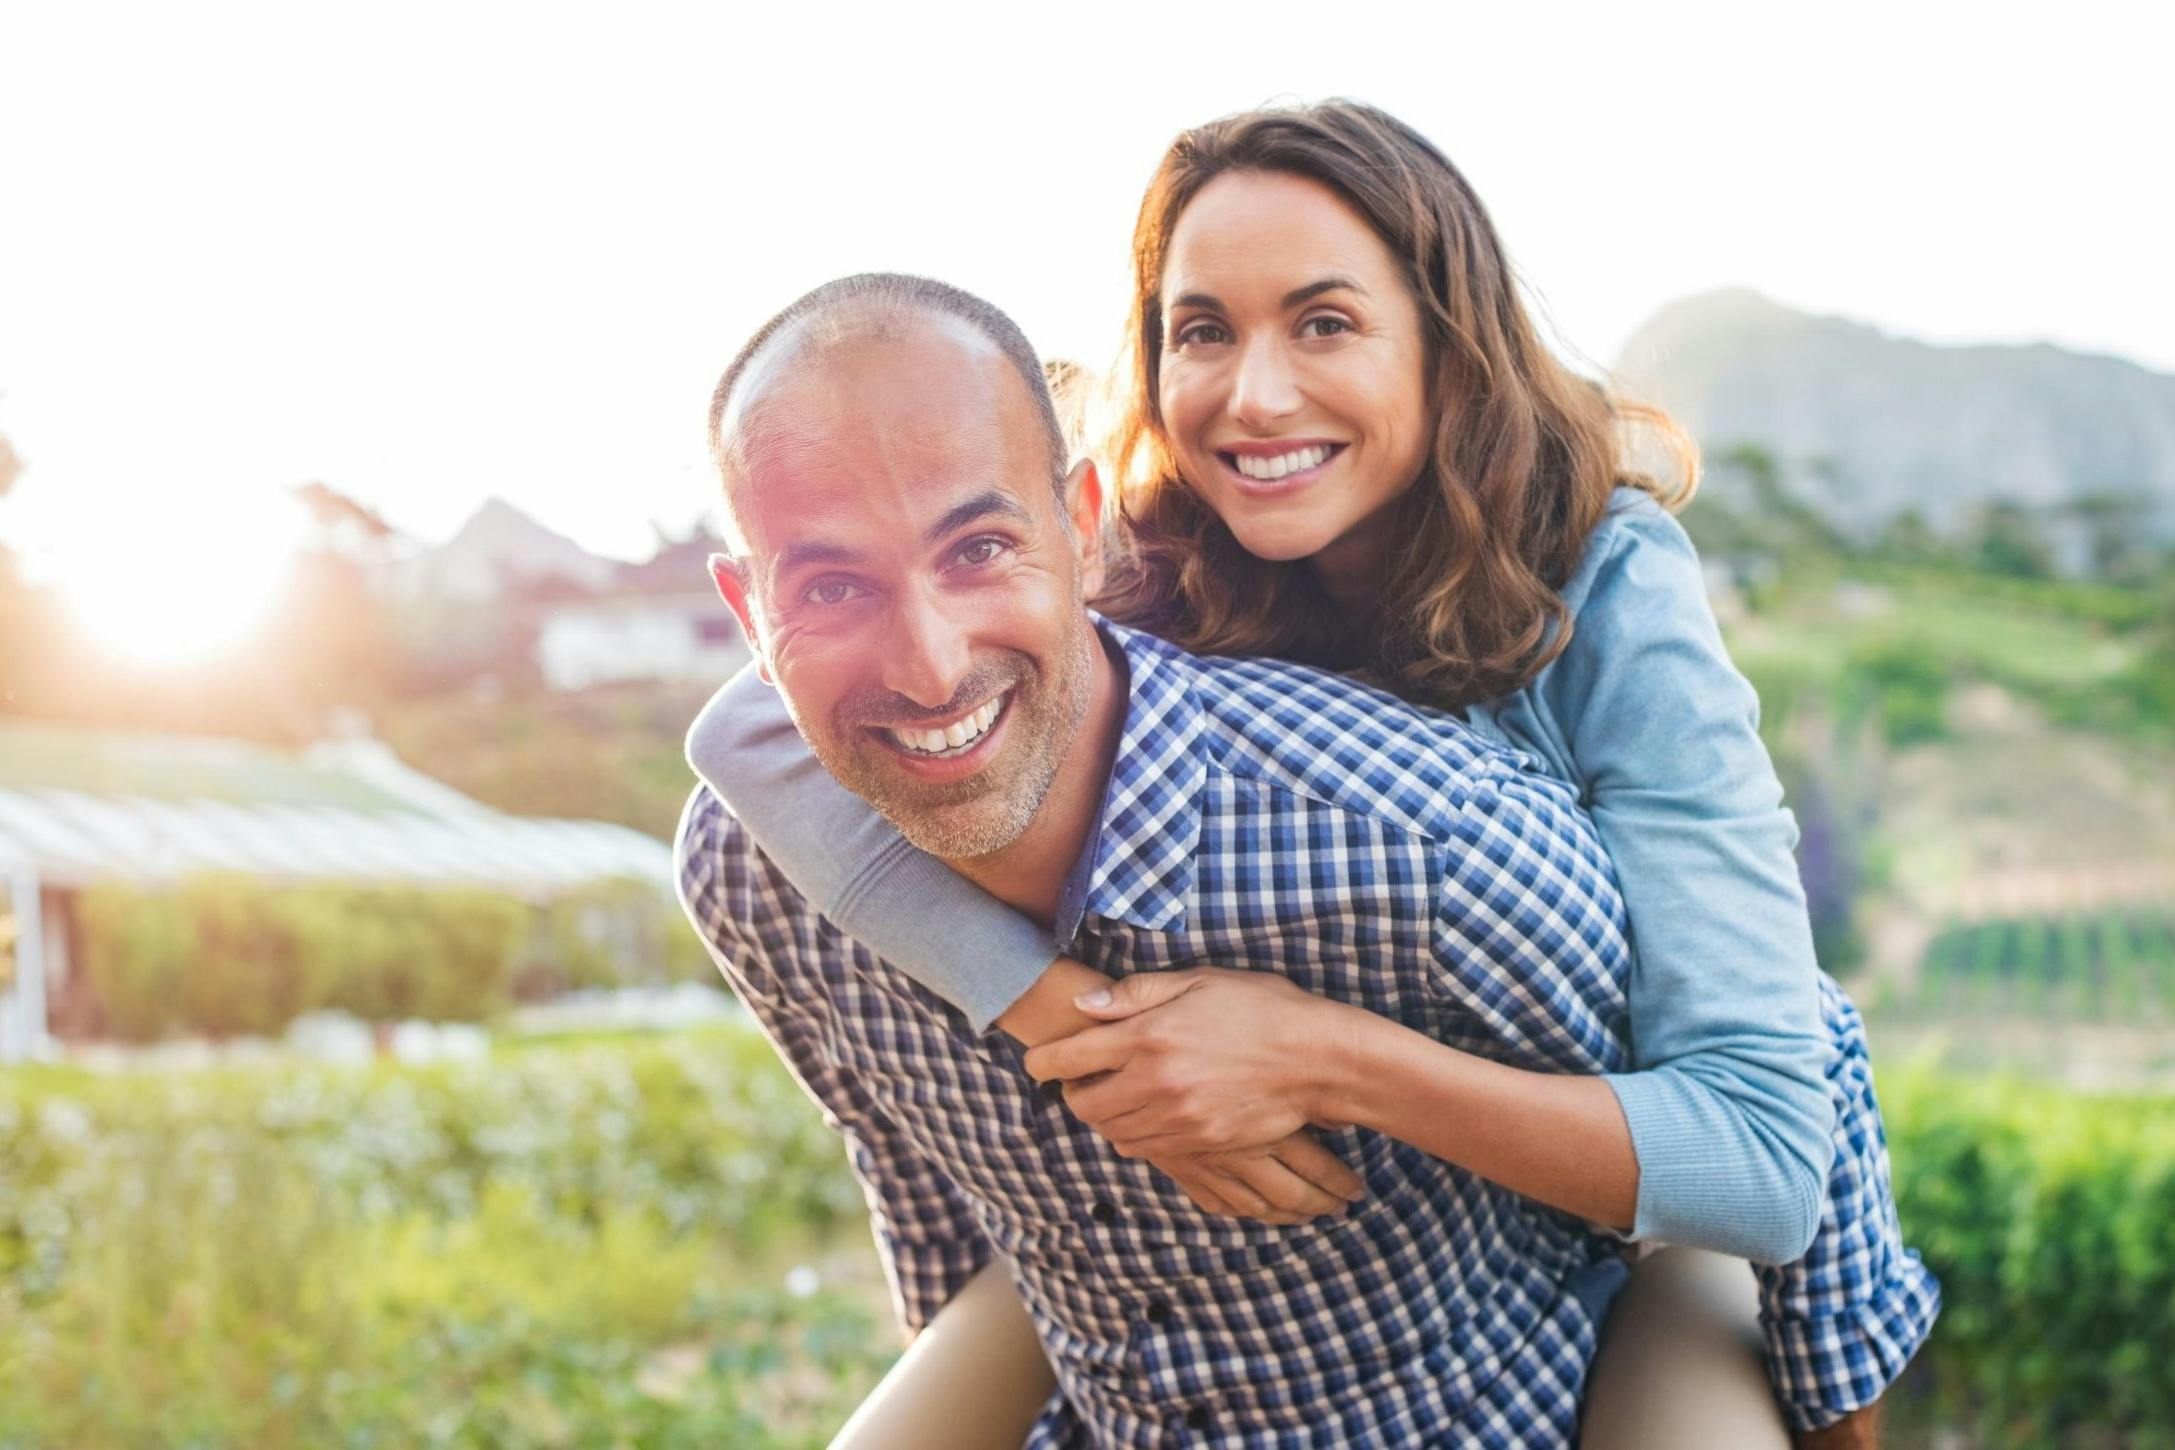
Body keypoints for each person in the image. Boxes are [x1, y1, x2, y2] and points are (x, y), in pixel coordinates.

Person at [690, 102, 1936, 1446]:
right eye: (1203, 330)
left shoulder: (1605, 589)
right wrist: (1059, 1014)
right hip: (1240, 1235)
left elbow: (1764, 1103)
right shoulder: (1147, 560)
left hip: (1612, 1188)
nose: (1254, 393)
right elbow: (747, 733)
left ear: (1443, 346)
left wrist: (1321, 1056)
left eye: (1324, 322)